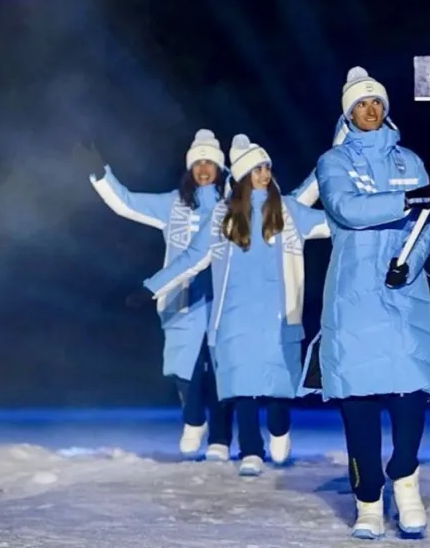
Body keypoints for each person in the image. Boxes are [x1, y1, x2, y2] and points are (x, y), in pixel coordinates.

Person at [314, 66, 430, 540]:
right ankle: (367, 503)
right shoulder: (333, 162)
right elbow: (347, 209)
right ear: (348, 111)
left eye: (376, 102)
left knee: (410, 400)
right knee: (358, 408)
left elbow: (426, 226)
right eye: (361, 104)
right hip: (355, 297)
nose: (370, 110)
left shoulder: (412, 162)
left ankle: (406, 482)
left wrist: (411, 262)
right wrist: (407, 203)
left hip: (402, 296)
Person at [133, 134, 329, 476]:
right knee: (242, 387)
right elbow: (192, 259)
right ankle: (251, 449)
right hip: (234, 319)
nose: (265, 174)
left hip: (279, 317)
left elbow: (335, 223)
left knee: (279, 390)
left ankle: (280, 430)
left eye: (267, 167)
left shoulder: (288, 210)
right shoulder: (223, 216)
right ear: (240, 176)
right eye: (256, 169)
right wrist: (150, 287)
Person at [89, 129, 233, 461]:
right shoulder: (173, 204)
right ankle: (194, 420)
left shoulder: (231, 207)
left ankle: (221, 439)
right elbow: (125, 202)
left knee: (224, 370)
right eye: (197, 163)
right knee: (185, 368)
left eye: (210, 162)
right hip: (181, 298)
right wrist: (100, 174)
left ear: (220, 168)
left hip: (223, 298)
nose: (203, 168)